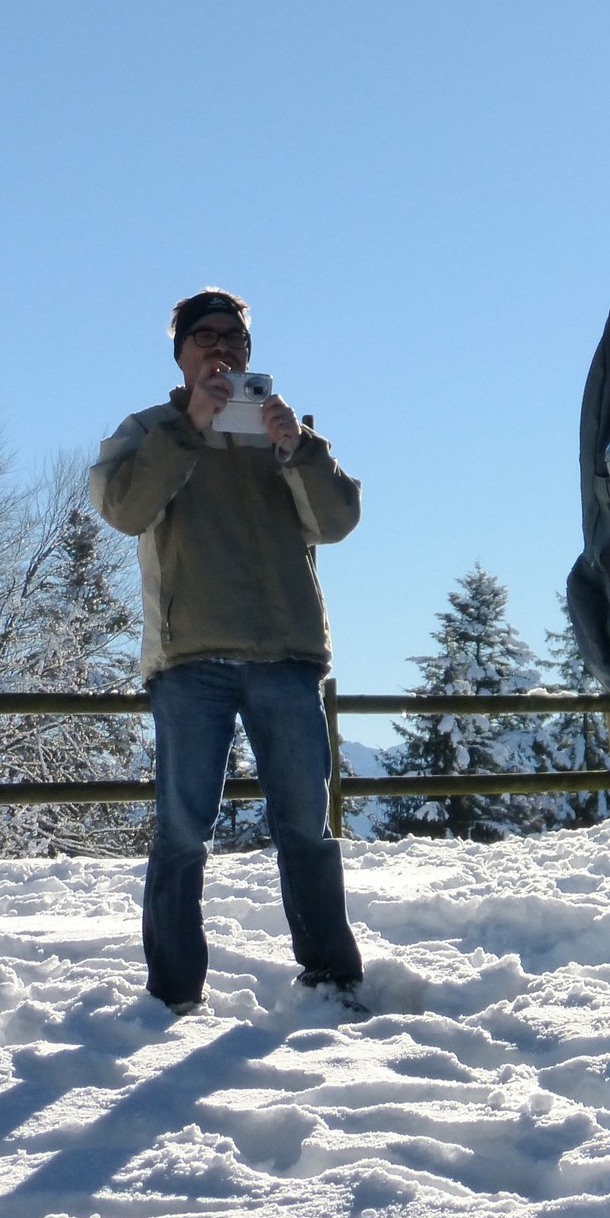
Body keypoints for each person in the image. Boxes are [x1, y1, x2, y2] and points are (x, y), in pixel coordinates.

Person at [90, 289, 367, 1016]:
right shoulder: (149, 428)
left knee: (306, 824)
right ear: (179, 353)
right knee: (183, 829)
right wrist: (189, 428)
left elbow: (338, 520)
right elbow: (123, 509)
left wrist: (299, 449)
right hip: (192, 660)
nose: (222, 348)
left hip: (286, 654)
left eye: (234, 337)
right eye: (204, 336)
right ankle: (173, 993)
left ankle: (333, 978)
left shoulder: (286, 429)